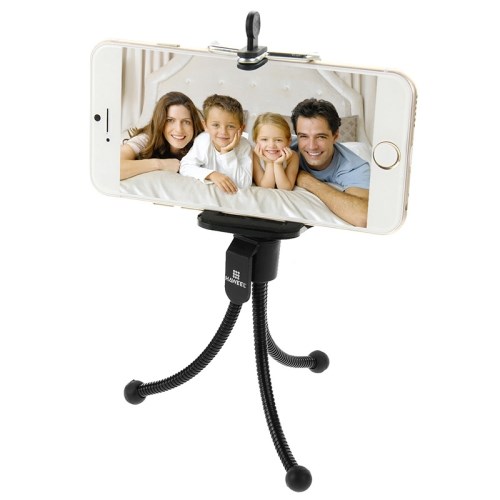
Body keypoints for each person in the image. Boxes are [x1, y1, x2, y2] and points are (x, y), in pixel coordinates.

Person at [290, 98, 370, 227]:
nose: (312, 146)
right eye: (303, 136)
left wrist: (306, 180)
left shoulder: (355, 167)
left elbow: (363, 217)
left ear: (335, 136)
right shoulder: (284, 147)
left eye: (321, 137)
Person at [120, 91, 204, 181]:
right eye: (170, 120)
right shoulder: (146, 139)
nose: (179, 129)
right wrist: (159, 164)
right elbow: (114, 167)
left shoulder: (202, 140)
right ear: (160, 122)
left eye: (186, 122)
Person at [179, 94, 252, 193]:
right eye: (216, 125)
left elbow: (244, 184)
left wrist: (227, 152)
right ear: (205, 126)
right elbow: (185, 167)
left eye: (230, 126)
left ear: (241, 129)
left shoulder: (244, 146)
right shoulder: (203, 141)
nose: (223, 132)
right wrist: (212, 175)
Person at [251, 113, 299, 190]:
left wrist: (278, 164)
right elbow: (266, 187)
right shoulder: (255, 156)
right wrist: (269, 163)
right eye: (264, 139)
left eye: (278, 140)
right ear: (255, 141)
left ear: (288, 142)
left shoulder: (293, 157)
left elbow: (286, 188)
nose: (271, 145)